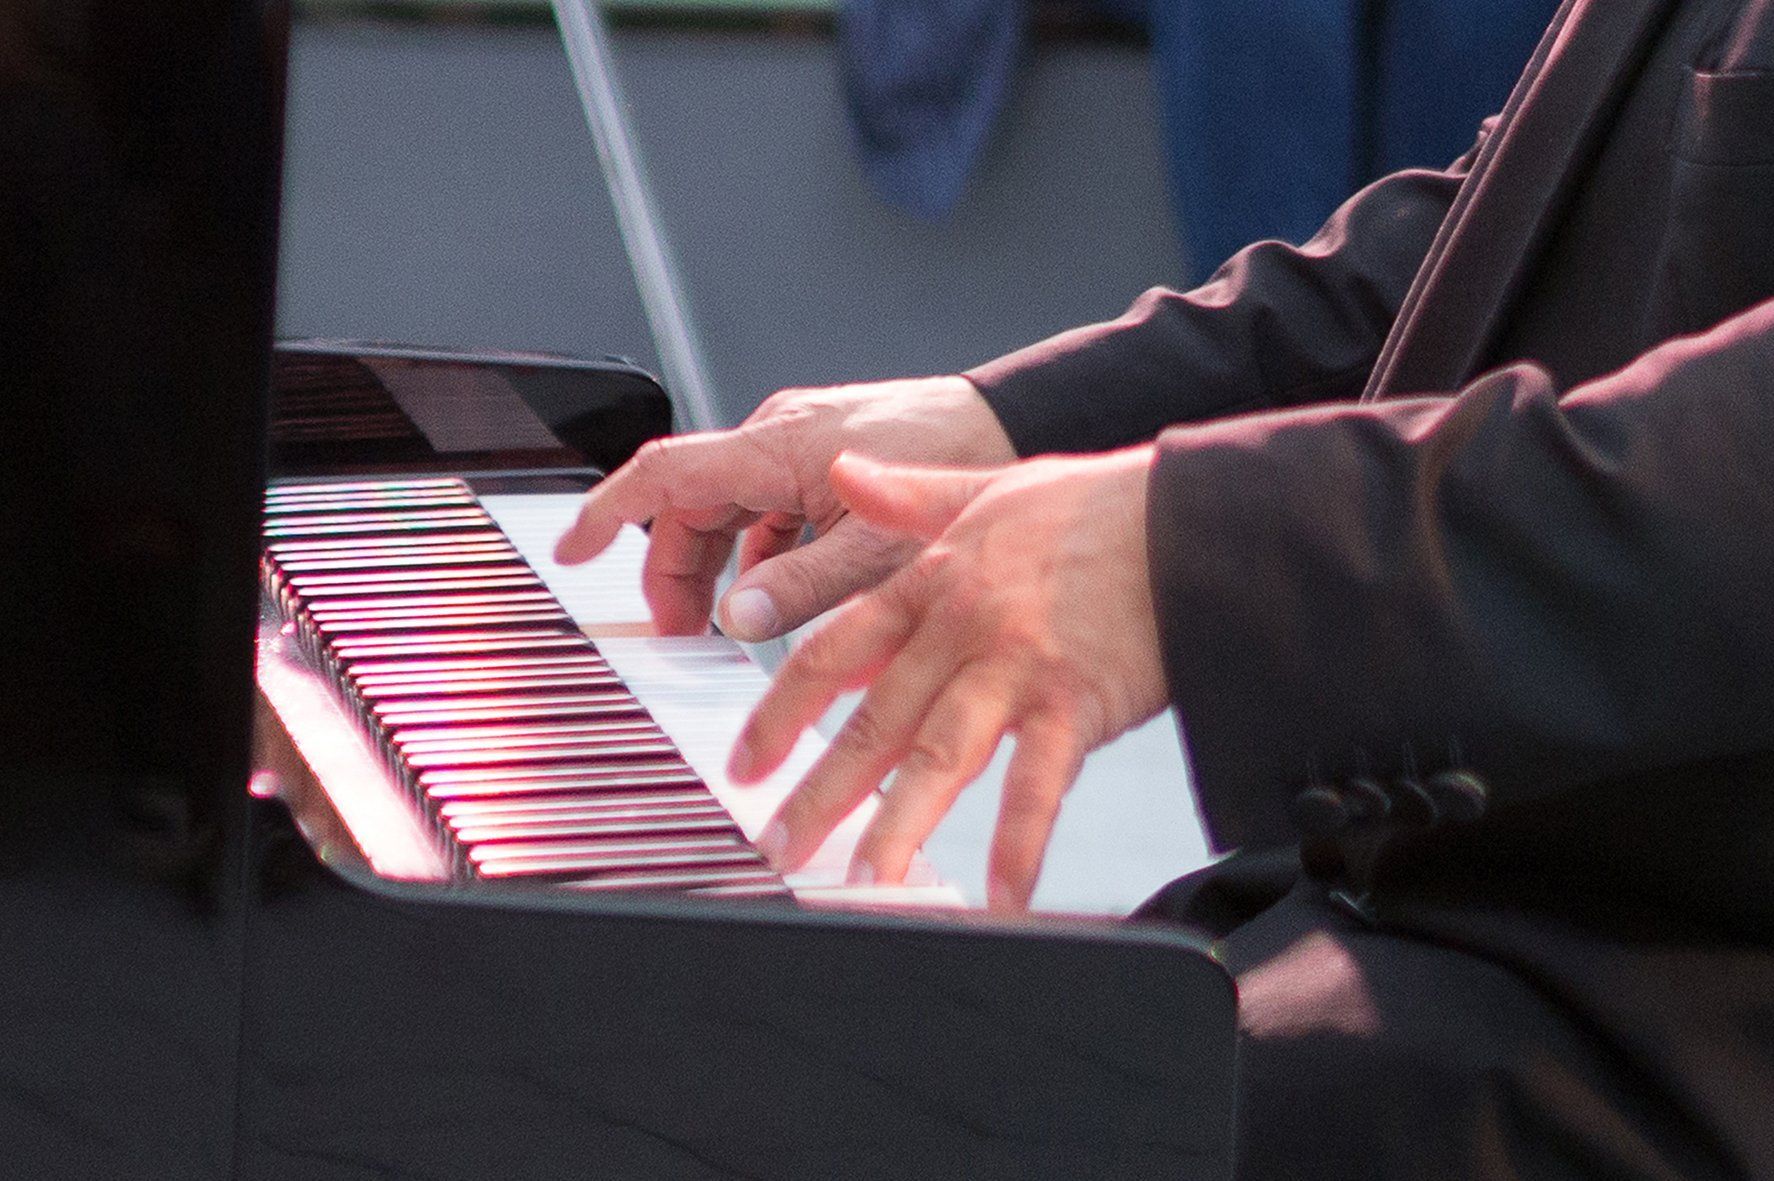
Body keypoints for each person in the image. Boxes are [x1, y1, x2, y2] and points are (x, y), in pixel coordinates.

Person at [555, 0, 1774, 1174]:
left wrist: (1190, 546)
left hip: (1657, 1028)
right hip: (1461, 923)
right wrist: (1007, 421)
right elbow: (1524, 214)